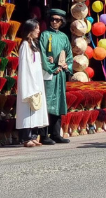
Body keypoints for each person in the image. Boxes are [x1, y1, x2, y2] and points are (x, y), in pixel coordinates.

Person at [38, 9, 73, 144]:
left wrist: (66, 66)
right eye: (52, 19)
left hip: (61, 75)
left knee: (58, 102)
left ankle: (56, 134)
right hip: (49, 74)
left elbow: (69, 55)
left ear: (62, 22)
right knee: (46, 103)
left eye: (57, 20)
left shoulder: (64, 37)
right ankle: (44, 135)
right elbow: (41, 54)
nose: (54, 22)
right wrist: (53, 67)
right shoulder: (44, 35)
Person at [16, 19, 49, 147]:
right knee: (27, 110)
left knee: (36, 108)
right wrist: (30, 84)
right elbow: (25, 66)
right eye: (36, 28)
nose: (38, 30)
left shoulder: (34, 44)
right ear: (30, 30)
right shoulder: (25, 45)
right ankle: (26, 137)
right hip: (29, 81)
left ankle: (34, 135)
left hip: (37, 80)